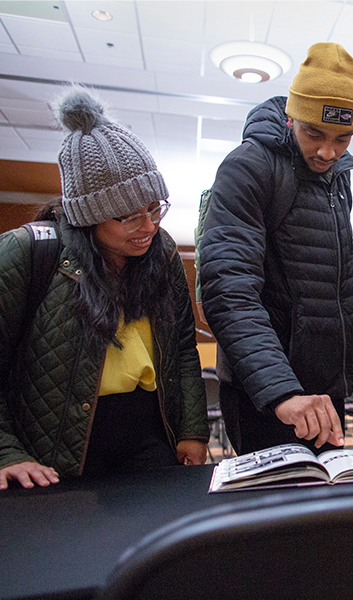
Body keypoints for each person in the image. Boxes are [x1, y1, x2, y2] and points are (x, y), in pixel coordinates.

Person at [0, 87, 209, 490]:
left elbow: (183, 348)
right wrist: (6, 451)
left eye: (154, 208)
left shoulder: (160, 253)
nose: (148, 226)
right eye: (129, 217)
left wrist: (193, 429)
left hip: (149, 438)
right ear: (88, 216)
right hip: (55, 449)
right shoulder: (29, 252)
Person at [199, 42, 353, 455]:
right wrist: (280, 393)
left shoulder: (336, 175)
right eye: (314, 134)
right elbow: (228, 288)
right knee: (273, 517)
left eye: (343, 138)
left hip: (323, 393)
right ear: (292, 116)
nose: (328, 152)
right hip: (268, 395)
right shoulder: (249, 167)